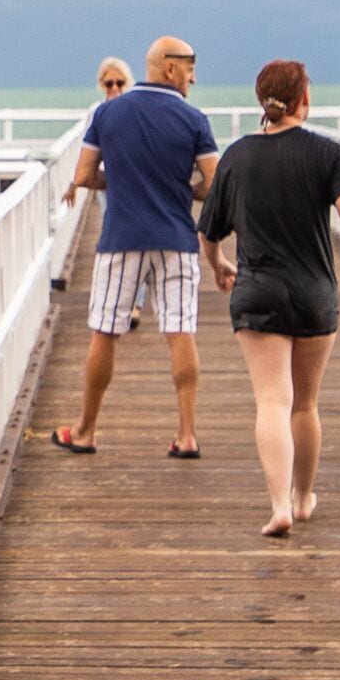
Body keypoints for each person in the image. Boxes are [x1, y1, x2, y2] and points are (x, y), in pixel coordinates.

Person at [201, 60, 340, 538]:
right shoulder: (327, 154)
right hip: (314, 294)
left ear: (261, 103)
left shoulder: (237, 156)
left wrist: (219, 264)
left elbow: (209, 231)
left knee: (271, 399)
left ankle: (278, 504)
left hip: (258, 292)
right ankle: (304, 496)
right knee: (304, 404)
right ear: (303, 102)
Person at [56, 37, 216, 458]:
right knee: (180, 330)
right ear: (168, 68)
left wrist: (122, 182)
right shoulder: (194, 119)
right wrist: (183, 189)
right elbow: (214, 185)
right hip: (177, 239)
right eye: (190, 68)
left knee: (106, 330)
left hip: (121, 237)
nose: (194, 77)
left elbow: (85, 174)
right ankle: (186, 436)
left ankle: (86, 430)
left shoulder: (107, 113)